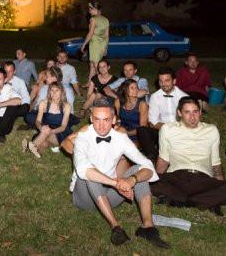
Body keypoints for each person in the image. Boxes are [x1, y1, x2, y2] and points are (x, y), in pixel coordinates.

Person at [71, 98, 169, 248]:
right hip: (84, 197)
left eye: (106, 119)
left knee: (138, 169)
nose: (101, 125)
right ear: (91, 119)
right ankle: (116, 227)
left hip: (109, 195)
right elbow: (84, 170)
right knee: (91, 174)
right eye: (97, 119)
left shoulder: (120, 138)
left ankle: (148, 227)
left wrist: (131, 180)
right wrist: (116, 183)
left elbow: (148, 166)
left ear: (114, 119)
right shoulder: (82, 138)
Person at [151, 97, 226, 214]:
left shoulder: (211, 130)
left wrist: (220, 184)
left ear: (200, 112)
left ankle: (182, 201)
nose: (192, 117)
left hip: (203, 180)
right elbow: (163, 159)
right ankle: (205, 201)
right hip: (177, 178)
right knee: (145, 179)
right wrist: (156, 179)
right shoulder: (167, 129)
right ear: (179, 113)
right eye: (187, 112)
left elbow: (215, 163)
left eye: (195, 112)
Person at [137, 67, 189, 160]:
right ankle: (153, 157)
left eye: (167, 80)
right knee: (142, 130)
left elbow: (188, 121)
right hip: (161, 131)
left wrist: (176, 130)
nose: (163, 84)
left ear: (174, 81)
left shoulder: (184, 97)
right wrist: (168, 129)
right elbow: (153, 122)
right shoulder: (155, 97)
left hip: (180, 132)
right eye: (161, 81)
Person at [27, 83, 73, 158]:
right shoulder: (44, 103)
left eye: (57, 90)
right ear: (49, 92)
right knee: (44, 142)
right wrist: (41, 128)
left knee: (45, 134)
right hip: (46, 128)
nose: (54, 93)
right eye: (52, 90)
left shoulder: (66, 106)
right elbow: (38, 121)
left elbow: (63, 127)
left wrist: (50, 131)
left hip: (59, 133)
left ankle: (30, 148)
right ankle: (38, 150)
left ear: (62, 92)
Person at [79, 1, 109, 79]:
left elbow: (90, 33)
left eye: (90, 8)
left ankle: (101, 84)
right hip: (101, 45)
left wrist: (84, 44)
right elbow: (107, 36)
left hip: (95, 44)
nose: (89, 11)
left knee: (96, 66)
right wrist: (105, 48)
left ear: (96, 9)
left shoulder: (93, 19)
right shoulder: (106, 19)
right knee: (92, 64)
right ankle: (90, 82)